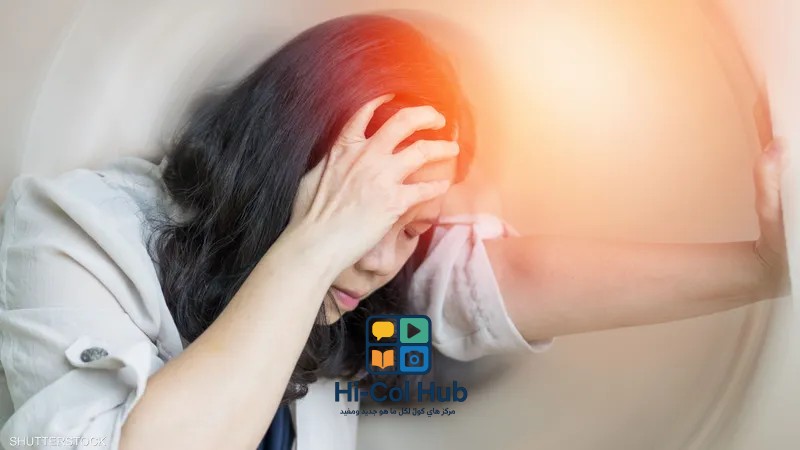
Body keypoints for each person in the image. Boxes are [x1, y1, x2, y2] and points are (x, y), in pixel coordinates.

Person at [0, 13, 788, 450]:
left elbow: (504, 281)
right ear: (281, 163)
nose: (382, 259)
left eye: (413, 229)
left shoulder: (360, 287)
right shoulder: (76, 231)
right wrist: (313, 246)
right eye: (364, 212)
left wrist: (763, 269)